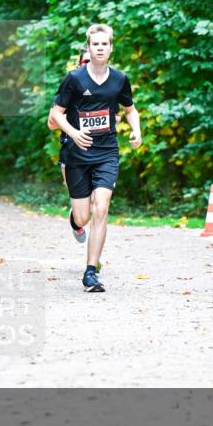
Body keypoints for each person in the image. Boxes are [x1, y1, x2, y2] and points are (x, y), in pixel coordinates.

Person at [49, 24, 142, 292]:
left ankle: (90, 272)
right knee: (83, 218)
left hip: (106, 152)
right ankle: (74, 220)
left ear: (111, 48)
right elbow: (55, 114)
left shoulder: (120, 79)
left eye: (104, 44)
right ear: (88, 49)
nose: (100, 48)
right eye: (95, 44)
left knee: (101, 208)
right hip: (77, 154)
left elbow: (130, 110)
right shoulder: (74, 79)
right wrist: (74, 133)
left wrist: (136, 130)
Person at [47, 47, 91, 188]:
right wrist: (74, 120)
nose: (91, 64)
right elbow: (51, 123)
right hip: (72, 152)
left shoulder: (108, 86)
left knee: (100, 197)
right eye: (86, 61)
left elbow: (117, 117)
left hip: (102, 152)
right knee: (78, 197)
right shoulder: (69, 87)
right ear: (79, 65)